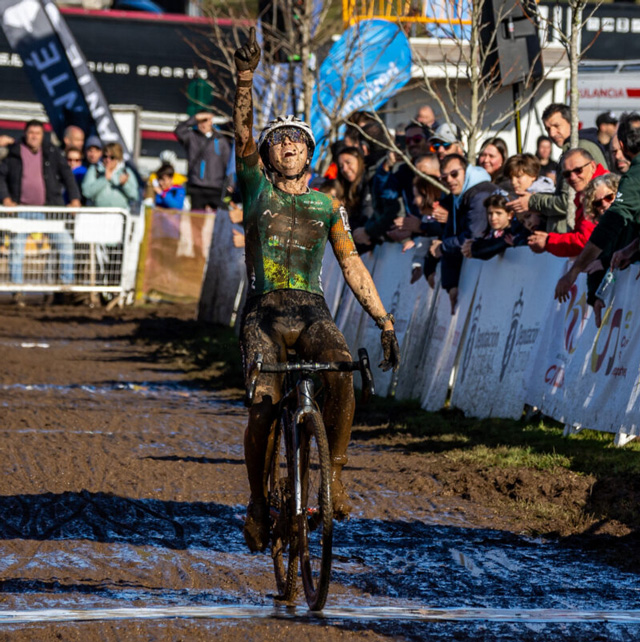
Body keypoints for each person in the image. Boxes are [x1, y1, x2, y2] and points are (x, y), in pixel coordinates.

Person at [233, 29, 400, 553]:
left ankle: (335, 474)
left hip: (311, 312)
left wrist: (385, 321)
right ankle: (259, 502)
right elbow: (240, 133)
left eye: (297, 140)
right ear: (268, 153)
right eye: (279, 140)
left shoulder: (328, 206)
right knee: (263, 410)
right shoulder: (256, 188)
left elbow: (352, 267)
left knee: (344, 374)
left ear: (309, 151)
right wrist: (244, 80)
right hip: (263, 314)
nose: (288, 145)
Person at [555, 113, 640, 311]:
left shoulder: (632, 179)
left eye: (609, 198)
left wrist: (574, 271)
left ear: (623, 145)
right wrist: (632, 249)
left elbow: (610, 225)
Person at [0, 119, 80, 290]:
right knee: (16, 248)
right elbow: (1, 177)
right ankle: (17, 289)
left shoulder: (52, 152)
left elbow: (67, 174)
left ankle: (67, 287)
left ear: (43, 136)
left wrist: (74, 198)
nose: (34, 137)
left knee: (65, 243)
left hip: (48, 210)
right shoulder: (14, 153)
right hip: (21, 210)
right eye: (31, 133)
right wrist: (5, 198)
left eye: (37, 133)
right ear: (25, 134)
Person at [508, 103, 608, 232]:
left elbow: (569, 201)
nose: (552, 133)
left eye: (556, 126)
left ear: (571, 123)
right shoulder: (574, 148)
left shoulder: (577, 149)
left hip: (576, 234)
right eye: (548, 129)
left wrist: (532, 201)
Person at [430, 154, 494, 311]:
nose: (450, 181)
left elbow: (473, 238)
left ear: (466, 171)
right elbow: (451, 234)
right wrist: (451, 284)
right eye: (444, 178)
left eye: (454, 174)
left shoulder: (480, 195)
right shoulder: (459, 197)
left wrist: (443, 247)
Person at [527, 149, 608, 257]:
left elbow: (587, 242)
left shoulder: (602, 191)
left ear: (592, 166)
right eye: (567, 174)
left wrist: (549, 241)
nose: (573, 177)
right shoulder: (586, 192)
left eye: (578, 170)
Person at [175, 110, 231, 210]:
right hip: (197, 186)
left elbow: (228, 163)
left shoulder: (221, 140)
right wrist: (195, 118)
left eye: (206, 120)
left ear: (211, 121)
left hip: (216, 187)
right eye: (201, 121)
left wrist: (230, 183)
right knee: (197, 220)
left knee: (218, 219)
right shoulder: (191, 137)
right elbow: (179, 130)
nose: (203, 124)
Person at [461, 191, 527, 261]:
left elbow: (495, 245)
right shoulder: (493, 234)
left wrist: (474, 248)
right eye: (490, 213)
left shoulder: (515, 232)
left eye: (498, 213)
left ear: (510, 215)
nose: (493, 218)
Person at [335, 146, 375, 253]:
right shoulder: (346, 190)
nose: (345, 169)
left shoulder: (370, 182)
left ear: (359, 161)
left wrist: (367, 231)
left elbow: (368, 212)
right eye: (341, 166)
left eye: (348, 163)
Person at [82, 142, 139, 208]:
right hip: (98, 213)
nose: (108, 160)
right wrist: (104, 179)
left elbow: (134, 196)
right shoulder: (94, 170)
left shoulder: (126, 171)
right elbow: (86, 192)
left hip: (119, 214)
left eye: (112, 157)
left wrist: (124, 185)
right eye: (105, 156)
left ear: (118, 158)